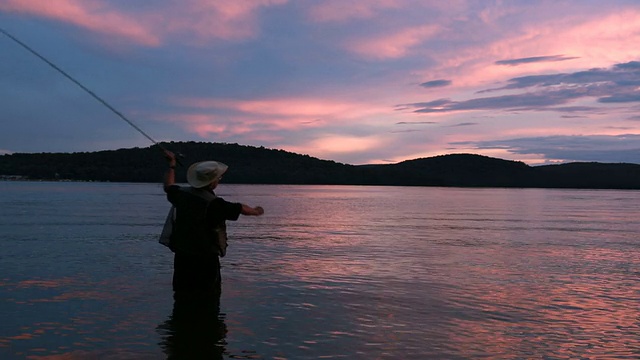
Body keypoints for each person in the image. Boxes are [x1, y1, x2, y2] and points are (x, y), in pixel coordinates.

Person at [163, 150, 264, 296]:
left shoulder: (180, 195)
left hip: (182, 259)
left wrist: (171, 166)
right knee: (208, 299)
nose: (219, 180)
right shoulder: (215, 204)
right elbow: (241, 208)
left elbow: (168, 186)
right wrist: (256, 211)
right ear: (212, 183)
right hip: (205, 262)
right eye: (218, 178)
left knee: (182, 297)